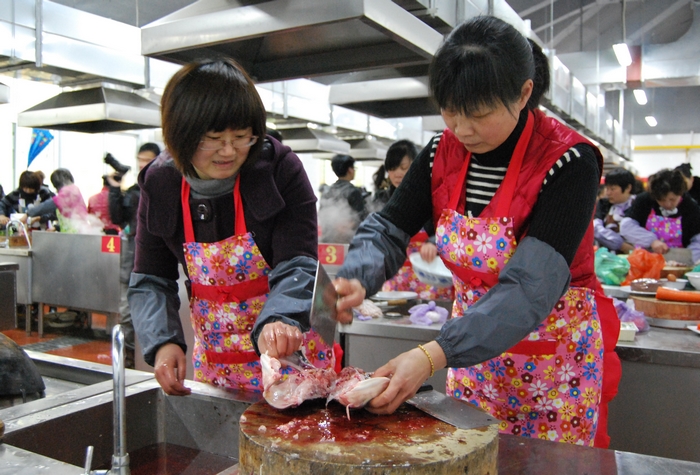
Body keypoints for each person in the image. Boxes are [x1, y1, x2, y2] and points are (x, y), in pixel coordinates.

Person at [332, 16, 621, 448]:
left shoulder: (569, 162)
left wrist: (433, 354)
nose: (462, 129)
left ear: (523, 93)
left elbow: (530, 287)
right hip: (471, 364)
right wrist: (359, 274)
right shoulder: (439, 152)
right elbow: (389, 228)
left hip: (554, 373)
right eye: (450, 111)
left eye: (479, 113)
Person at [128, 57, 330, 396]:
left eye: (240, 137)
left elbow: (298, 263)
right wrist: (162, 342)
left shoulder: (280, 171)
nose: (228, 151)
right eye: (212, 139)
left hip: (290, 357)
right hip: (217, 366)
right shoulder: (160, 183)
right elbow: (151, 279)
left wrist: (280, 320)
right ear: (180, 136)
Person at [372, 139, 454, 300]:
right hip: (395, 276)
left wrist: (434, 242)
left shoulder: (433, 196)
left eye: (404, 168)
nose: (397, 173)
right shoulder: (381, 199)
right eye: (392, 168)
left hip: (430, 275)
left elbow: (450, 229)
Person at [107, 143, 161, 365]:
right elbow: (117, 218)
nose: (142, 164)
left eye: (147, 159)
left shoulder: (164, 187)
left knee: (154, 305)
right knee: (127, 308)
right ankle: (129, 358)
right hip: (131, 255)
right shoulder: (133, 190)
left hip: (155, 260)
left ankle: (148, 356)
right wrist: (114, 188)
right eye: (140, 159)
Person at [621, 168, 700, 263]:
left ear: (680, 194)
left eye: (672, 199)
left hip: (677, 263)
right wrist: (651, 241)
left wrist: (688, 259)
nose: (667, 204)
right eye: (661, 200)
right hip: (644, 261)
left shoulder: (691, 207)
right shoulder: (645, 200)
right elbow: (626, 226)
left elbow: (698, 241)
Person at [318, 154, 368, 243]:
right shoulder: (353, 191)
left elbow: (321, 217)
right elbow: (361, 218)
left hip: (328, 240)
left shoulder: (327, 192)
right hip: (348, 240)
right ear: (350, 170)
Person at [594, 168, 636, 253]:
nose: (608, 193)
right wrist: (621, 245)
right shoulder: (603, 204)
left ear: (628, 188)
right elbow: (596, 227)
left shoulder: (639, 204)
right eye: (607, 189)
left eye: (612, 189)